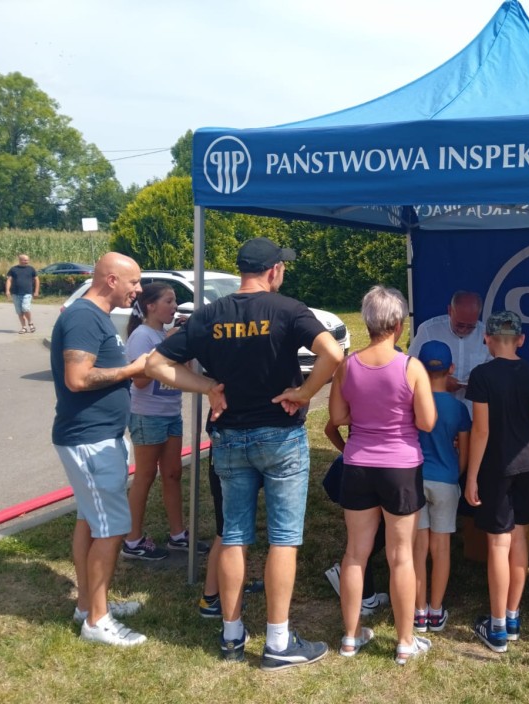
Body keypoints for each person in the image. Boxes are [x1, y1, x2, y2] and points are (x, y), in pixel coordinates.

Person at [145, 237, 343, 669]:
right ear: (274, 271)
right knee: (283, 538)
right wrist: (305, 392)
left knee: (233, 535)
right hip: (281, 436)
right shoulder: (288, 309)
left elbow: (155, 364)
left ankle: (232, 635)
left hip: (229, 437)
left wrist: (207, 388)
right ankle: (278, 642)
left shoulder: (208, 315)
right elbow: (333, 352)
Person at [328, 285, 436, 665]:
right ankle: (405, 642)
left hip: (358, 464)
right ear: (398, 324)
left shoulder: (348, 366)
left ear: (368, 322)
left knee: (355, 553)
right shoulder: (411, 367)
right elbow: (427, 421)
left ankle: (350, 636)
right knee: (401, 556)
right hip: (401, 468)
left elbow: (337, 417)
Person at [50, 252, 148, 646]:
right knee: (112, 527)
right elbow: (77, 378)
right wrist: (132, 369)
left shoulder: (97, 317)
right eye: (134, 282)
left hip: (100, 436)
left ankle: (89, 604)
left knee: (91, 522)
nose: (138, 289)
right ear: (111, 280)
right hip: (90, 440)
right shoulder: (83, 317)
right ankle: (97, 622)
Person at [464, 311, 529, 654]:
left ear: (487, 339)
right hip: (528, 465)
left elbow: (480, 431)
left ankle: (496, 628)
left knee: (498, 544)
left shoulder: (482, 375)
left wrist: (471, 475)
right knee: (521, 538)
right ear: (521, 340)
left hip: (496, 467)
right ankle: (512, 618)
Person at [121, 283, 209, 561]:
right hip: (147, 415)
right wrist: (166, 346)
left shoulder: (163, 334)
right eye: (169, 301)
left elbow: (187, 373)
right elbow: (140, 380)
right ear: (151, 306)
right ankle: (132, 540)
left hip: (171, 413)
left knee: (172, 473)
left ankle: (178, 535)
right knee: (145, 476)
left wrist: (186, 342)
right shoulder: (142, 335)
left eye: (175, 301)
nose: (175, 306)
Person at [412, 340, 471, 634]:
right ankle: (436, 611)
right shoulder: (459, 408)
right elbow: (465, 454)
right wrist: (454, 474)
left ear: (420, 369)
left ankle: (419, 611)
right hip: (446, 480)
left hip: (415, 479)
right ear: (451, 369)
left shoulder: (413, 403)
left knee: (418, 547)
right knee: (441, 548)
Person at [321, 420, 390, 617]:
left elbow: (330, 427)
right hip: (387, 470)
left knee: (363, 541)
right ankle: (363, 595)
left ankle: (364, 595)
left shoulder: (353, 401)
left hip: (358, 469)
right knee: (375, 538)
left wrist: (348, 453)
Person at [408, 290, 492, 412]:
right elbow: (410, 368)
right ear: (450, 311)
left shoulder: (485, 334)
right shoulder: (429, 330)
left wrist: (478, 380)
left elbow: (493, 369)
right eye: (460, 325)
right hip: (434, 411)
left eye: (470, 326)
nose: (464, 330)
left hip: (473, 411)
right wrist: (437, 381)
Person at [6, 253, 39, 334]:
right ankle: (24, 327)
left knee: (25, 308)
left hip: (27, 292)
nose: (27, 261)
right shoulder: (13, 269)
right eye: (25, 260)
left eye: (27, 260)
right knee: (19, 312)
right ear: (20, 260)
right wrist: (7, 290)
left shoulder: (31, 269)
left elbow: (37, 280)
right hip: (15, 293)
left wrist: (36, 291)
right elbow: (9, 280)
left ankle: (30, 323)